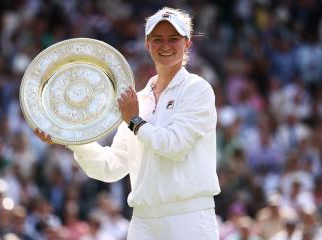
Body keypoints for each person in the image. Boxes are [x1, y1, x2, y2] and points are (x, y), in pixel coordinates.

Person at [35, 7, 221, 239]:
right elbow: (110, 166)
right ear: (147, 44)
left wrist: (134, 120)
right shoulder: (138, 100)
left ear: (187, 43)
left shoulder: (197, 90)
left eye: (174, 39)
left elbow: (175, 147)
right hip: (143, 221)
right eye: (157, 39)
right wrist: (70, 137)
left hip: (188, 218)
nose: (165, 45)